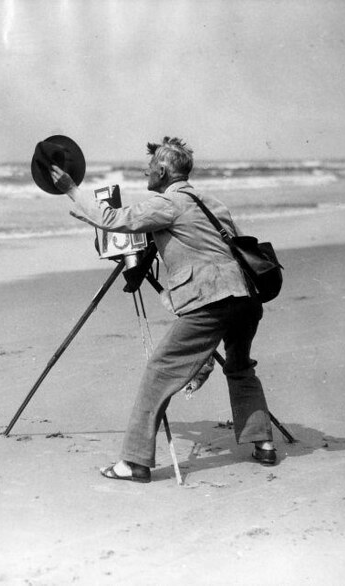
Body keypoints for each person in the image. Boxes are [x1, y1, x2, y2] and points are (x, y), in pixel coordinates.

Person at [50, 136, 276, 483]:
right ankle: (263, 443)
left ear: (164, 169)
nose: (145, 171)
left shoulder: (168, 204)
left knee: (158, 371)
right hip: (245, 298)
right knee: (240, 366)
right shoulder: (211, 201)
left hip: (210, 299)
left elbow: (112, 217)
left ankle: (135, 462)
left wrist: (71, 189)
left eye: (150, 165)